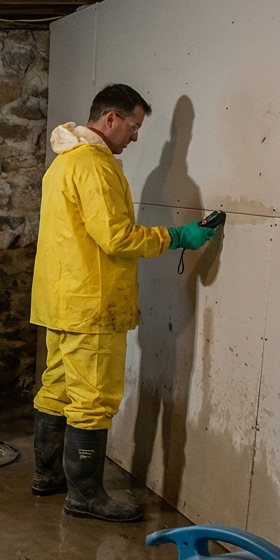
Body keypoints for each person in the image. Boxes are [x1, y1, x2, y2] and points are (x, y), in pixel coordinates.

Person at [30, 83, 221, 521]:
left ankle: (46, 476)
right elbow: (116, 236)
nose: (135, 137)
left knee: (57, 389)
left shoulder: (63, 163)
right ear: (110, 119)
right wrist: (178, 237)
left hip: (59, 301)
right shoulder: (95, 167)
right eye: (133, 127)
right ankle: (85, 496)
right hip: (92, 304)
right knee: (93, 398)